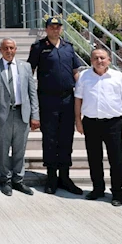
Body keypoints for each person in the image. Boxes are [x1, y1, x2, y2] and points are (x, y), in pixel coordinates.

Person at [74, 47, 122, 206]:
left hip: (114, 123)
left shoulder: (119, 77)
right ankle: (97, 189)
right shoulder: (84, 76)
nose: (99, 61)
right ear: (91, 61)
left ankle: (117, 193)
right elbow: (78, 100)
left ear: (109, 60)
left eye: (102, 58)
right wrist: (78, 121)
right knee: (94, 158)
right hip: (91, 122)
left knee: (116, 160)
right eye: (95, 58)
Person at [27, 16, 82, 195]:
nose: (55, 30)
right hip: (48, 99)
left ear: (61, 29)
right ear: (46, 28)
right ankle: (51, 176)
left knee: (66, 138)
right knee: (50, 138)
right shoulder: (38, 48)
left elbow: (76, 73)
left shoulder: (68, 48)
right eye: (52, 27)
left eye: (58, 27)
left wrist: (82, 95)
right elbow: (30, 73)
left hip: (68, 99)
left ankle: (65, 176)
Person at [0, 38, 39, 197]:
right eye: (6, 48)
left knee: (20, 149)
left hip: (22, 113)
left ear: (16, 49)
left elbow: (32, 92)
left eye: (11, 48)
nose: (9, 51)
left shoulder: (25, 67)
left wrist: (35, 115)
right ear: (0, 50)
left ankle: (18, 180)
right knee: (3, 149)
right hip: (3, 115)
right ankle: (5, 179)